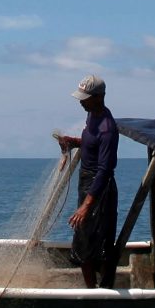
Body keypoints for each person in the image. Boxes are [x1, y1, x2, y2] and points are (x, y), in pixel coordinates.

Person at [54, 74, 120, 287]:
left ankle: (103, 291)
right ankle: (91, 290)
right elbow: (91, 144)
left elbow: (105, 170)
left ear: (99, 97)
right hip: (86, 184)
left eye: (85, 98)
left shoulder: (107, 128)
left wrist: (86, 206)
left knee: (99, 245)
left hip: (100, 189)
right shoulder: (92, 115)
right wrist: (74, 141)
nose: (81, 102)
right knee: (83, 241)